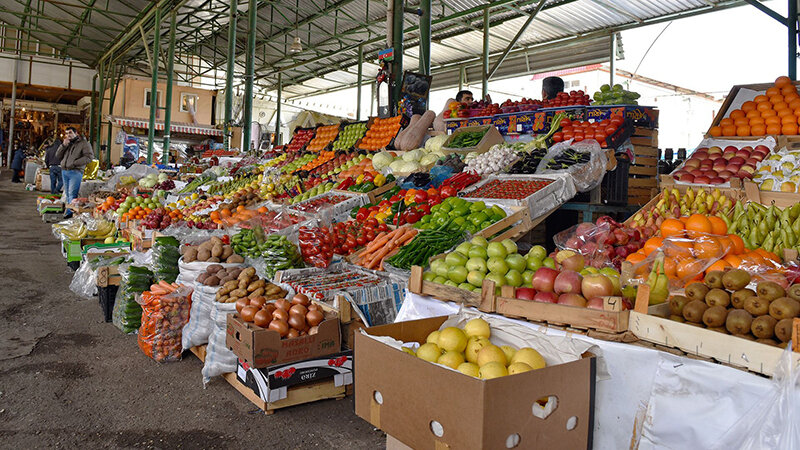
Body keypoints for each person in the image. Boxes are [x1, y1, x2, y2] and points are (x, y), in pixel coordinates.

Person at [56, 127, 93, 218]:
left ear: (76, 133)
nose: (68, 135)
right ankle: (70, 211)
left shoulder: (84, 143)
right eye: (66, 133)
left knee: (72, 193)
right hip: (65, 171)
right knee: (68, 194)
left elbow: (89, 157)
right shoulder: (67, 144)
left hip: (76, 172)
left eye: (70, 133)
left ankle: (70, 213)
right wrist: (63, 145)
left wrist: (74, 163)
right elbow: (58, 156)